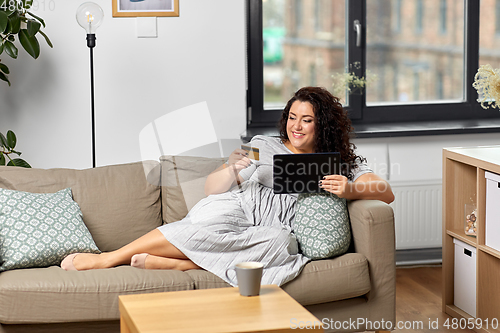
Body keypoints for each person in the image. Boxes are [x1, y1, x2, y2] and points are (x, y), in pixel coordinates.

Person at [61, 86, 394, 286]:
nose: (297, 126)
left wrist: (351, 190)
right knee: (207, 225)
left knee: (280, 246)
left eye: (306, 120)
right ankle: (110, 258)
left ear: (321, 124)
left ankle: (182, 263)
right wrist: (233, 170)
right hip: (237, 205)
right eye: (292, 117)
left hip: (272, 225)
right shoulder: (262, 143)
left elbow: (385, 191)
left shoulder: (338, 163)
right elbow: (211, 187)